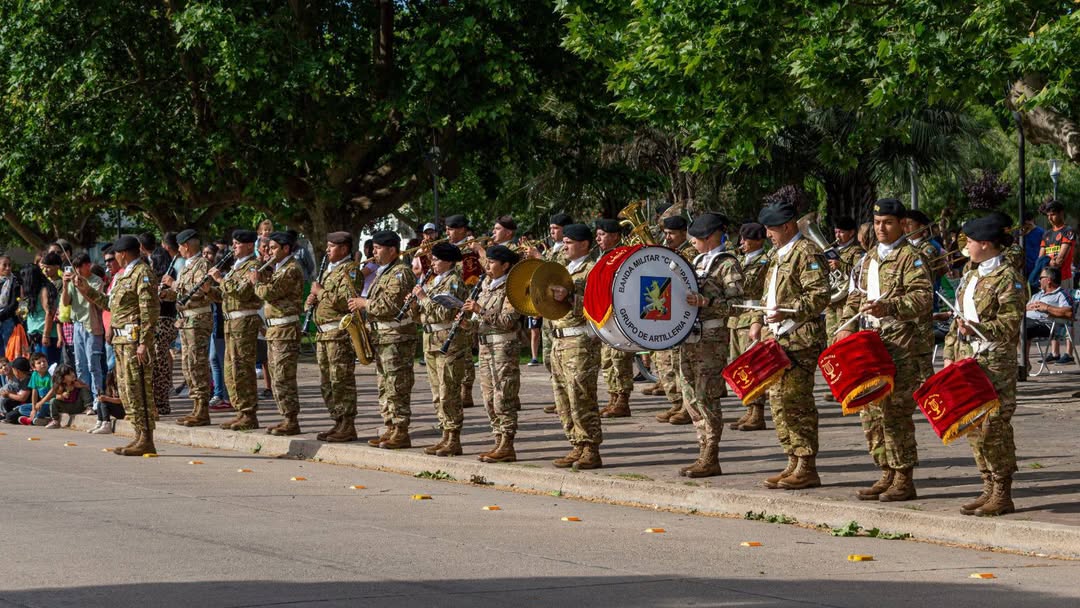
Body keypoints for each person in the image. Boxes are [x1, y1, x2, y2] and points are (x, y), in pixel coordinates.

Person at [837, 198, 933, 502]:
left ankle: (904, 478)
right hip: (871, 346)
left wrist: (888, 306)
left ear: (902, 224)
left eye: (888, 223)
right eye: (877, 223)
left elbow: (922, 298)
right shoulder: (867, 259)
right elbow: (855, 298)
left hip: (902, 347)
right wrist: (844, 326)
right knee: (871, 414)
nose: (881, 228)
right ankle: (886, 472)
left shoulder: (911, 257)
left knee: (895, 415)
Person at [943, 214, 1024, 516]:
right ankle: (987, 485)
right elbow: (957, 318)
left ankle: (1002, 491)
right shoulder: (971, 273)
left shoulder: (1008, 278)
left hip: (995, 361)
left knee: (995, 426)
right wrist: (950, 352)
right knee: (974, 424)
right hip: (968, 358)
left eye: (970, 241)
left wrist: (979, 329)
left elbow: (1011, 322)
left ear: (986, 244)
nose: (966, 246)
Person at [751, 198, 831, 490]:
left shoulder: (805, 251)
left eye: (771, 229)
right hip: (777, 338)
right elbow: (769, 292)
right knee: (778, 402)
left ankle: (807, 464)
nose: (767, 234)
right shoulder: (778, 253)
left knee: (796, 402)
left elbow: (820, 294)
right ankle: (792, 460)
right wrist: (759, 320)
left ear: (787, 226)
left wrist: (789, 310)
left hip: (799, 339)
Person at [666, 213, 744, 478]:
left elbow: (737, 306)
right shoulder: (697, 261)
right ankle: (702, 450)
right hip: (688, 339)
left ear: (710, 237)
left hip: (710, 340)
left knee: (707, 396)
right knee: (690, 397)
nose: (693, 243)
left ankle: (711, 455)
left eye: (697, 239)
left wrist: (708, 303)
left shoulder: (728, 265)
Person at [72, 235, 160, 455]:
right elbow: (109, 304)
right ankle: (139, 435)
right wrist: (85, 290)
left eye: (116, 255)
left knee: (139, 389)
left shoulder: (142, 273)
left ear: (122, 254)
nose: (115, 260)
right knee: (128, 391)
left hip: (133, 341)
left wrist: (144, 343)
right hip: (121, 342)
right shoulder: (122, 277)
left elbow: (149, 311)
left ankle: (147, 438)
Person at [349, 231, 417, 449]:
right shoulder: (383, 271)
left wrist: (364, 303)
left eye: (378, 248)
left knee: (397, 385)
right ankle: (390, 427)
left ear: (392, 250)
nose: (374, 252)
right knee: (384, 387)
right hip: (383, 337)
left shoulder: (401, 272)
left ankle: (401, 430)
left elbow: (389, 305)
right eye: (373, 248)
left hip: (396, 338)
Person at [547, 223, 603, 469]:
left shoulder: (593, 270)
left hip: (580, 340)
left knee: (581, 396)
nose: (564, 246)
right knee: (563, 398)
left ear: (584, 244)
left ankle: (591, 448)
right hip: (559, 340)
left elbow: (599, 306)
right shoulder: (564, 269)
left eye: (569, 242)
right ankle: (576, 444)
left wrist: (569, 298)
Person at [464, 245, 523, 462]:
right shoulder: (487, 285)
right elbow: (481, 322)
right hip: (485, 347)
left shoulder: (512, 287)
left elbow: (508, 321)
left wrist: (480, 310)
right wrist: (466, 323)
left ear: (505, 265)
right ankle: (497, 440)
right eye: (486, 261)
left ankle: (508, 443)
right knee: (488, 398)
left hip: (503, 348)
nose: (486, 265)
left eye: (491, 262)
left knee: (503, 396)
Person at [413, 242, 469, 456]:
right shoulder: (434, 281)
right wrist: (414, 305)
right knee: (437, 393)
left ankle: (454, 437)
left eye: (436, 259)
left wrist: (423, 299)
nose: (432, 263)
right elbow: (424, 315)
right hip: (431, 340)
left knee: (449, 392)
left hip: (449, 341)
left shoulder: (453, 281)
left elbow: (444, 313)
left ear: (447, 261)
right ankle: (444, 434)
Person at [307, 231, 362, 442]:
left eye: (332, 246)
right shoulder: (328, 271)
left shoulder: (351, 270)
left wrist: (320, 293)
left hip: (339, 333)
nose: (327, 250)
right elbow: (323, 299)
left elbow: (343, 301)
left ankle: (348, 424)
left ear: (344, 249)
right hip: (323, 334)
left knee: (341, 380)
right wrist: (311, 301)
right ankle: (338, 421)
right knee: (327, 382)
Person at [161, 229, 218, 427]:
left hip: (197, 320)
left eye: (180, 246)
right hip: (185, 321)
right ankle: (195, 407)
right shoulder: (187, 266)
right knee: (187, 365)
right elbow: (181, 294)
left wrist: (174, 284)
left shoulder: (202, 264)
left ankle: (202, 409)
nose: (179, 250)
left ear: (186, 245)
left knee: (197, 363)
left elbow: (198, 292)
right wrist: (165, 294)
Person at [207, 230, 262, 430]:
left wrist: (220, 279)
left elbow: (241, 292)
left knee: (242, 369)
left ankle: (249, 413)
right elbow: (225, 296)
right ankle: (240, 410)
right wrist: (208, 290)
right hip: (230, 322)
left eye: (238, 243)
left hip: (244, 322)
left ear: (249, 246)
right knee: (230, 369)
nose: (234, 247)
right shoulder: (235, 267)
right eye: (233, 243)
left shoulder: (254, 266)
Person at [252, 231, 305, 436]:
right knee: (276, 377)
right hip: (275, 329)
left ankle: (291, 419)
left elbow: (269, 292)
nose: (270, 252)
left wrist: (256, 281)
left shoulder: (291, 269)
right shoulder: (279, 268)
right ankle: (285, 417)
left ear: (286, 248)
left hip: (286, 329)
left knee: (284, 376)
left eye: (274, 248)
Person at [647, 215, 695, 415]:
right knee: (665, 363)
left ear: (684, 233)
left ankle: (687, 407)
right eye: (665, 233)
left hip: (681, 315)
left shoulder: (689, 252)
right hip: (664, 312)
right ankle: (676, 403)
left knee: (679, 365)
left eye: (672, 233)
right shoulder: (668, 251)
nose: (667, 237)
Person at [726, 222, 771, 431]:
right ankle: (748, 408)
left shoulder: (765, 261)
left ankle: (758, 411)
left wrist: (758, 320)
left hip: (752, 316)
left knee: (753, 366)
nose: (742, 243)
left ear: (759, 240)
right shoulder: (740, 260)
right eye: (741, 239)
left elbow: (754, 289)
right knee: (739, 365)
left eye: (747, 239)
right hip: (736, 318)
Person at [594, 218, 635, 418]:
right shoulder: (603, 256)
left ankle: (623, 399)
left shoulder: (624, 255)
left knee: (620, 358)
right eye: (598, 234)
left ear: (615, 236)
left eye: (602, 234)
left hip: (620, 315)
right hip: (605, 316)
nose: (598, 238)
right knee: (607, 359)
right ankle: (612, 397)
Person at [139, 233, 178, 415]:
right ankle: (157, 401)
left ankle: (161, 402)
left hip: (164, 321)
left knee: (159, 363)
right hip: (162, 321)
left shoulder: (167, 277)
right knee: (156, 362)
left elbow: (169, 298)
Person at [60, 252, 105, 410]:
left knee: (94, 364)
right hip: (77, 325)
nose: (77, 271)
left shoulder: (96, 281)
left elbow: (95, 301)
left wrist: (81, 287)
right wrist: (66, 285)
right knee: (80, 365)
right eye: (75, 268)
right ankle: (86, 401)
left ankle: (98, 398)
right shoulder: (73, 281)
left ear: (88, 265)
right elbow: (66, 303)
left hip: (92, 325)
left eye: (80, 267)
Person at [1022, 267, 1073, 363]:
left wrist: (1047, 307)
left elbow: (1069, 313)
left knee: (1023, 327)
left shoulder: (1061, 294)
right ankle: (1017, 363)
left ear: (1048, 280)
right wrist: (1029, 307)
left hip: (1047, 325)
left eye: (1041, 278)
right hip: (1029, 321)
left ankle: (1024, 364)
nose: (1039, 280)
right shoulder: (1037, 295)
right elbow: (1024, 309)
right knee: (1012, 325)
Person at [23, 253, 61, 364]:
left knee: (48, 368)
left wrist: (46, 335)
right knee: (39, 369)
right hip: (37, 336)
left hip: (46, 336)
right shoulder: (36, 290)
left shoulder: (44, 289)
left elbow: (50, 312)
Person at [41, 364, 90, 429]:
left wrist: (80, 386)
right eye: (69, 374)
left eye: (72, 372)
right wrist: (62, 396)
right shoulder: (60, 386)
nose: (73, 374)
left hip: (78, 406)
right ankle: (55, 421)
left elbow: (87, 388)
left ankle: (89, 407)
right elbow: (56, 396)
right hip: (66, 407)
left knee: (84, 390)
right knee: (53, 401)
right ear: (63, 379)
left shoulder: (76, 381)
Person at [89, 368, 125, 434]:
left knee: (104, 401)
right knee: (100, 401)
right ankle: (100, 422)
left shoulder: (121, 385)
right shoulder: (111, 387)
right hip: (117, 408)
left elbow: (121, 401)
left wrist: (107, 399)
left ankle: (106, 425)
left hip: (123, 410)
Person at [1, 356, 33, 421]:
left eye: (13, 370)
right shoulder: (22, 379)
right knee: (6, 402)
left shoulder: (28, 379)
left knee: (10, 416)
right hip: (23, 404)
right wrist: (10, 394)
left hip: (28, 405)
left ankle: (28, 419)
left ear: (17, 371)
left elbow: (23, 398)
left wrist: (8, 395)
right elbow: (19, 393)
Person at [0, 256, 20, 349]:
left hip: (7, 319)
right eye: (4, 265)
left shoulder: (14, 281)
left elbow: (14, 304)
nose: (7, 268)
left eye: (9, 265)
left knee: (8, 349)